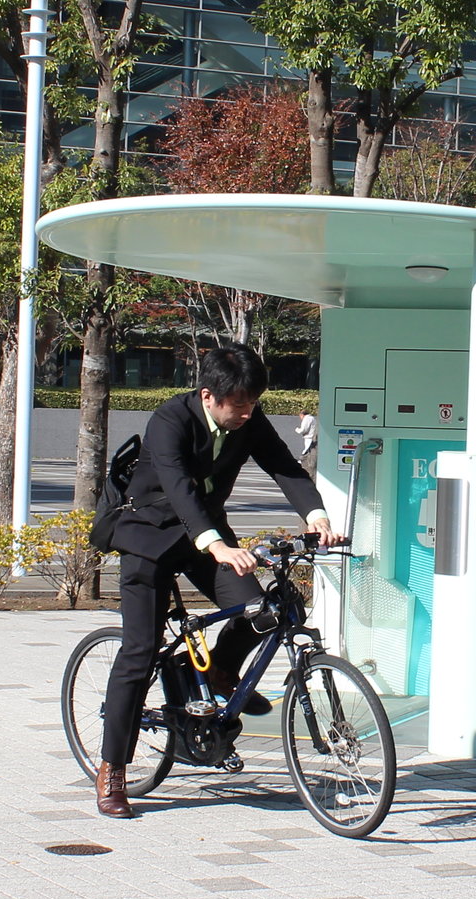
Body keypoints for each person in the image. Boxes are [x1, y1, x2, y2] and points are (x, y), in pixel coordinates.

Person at [95, 345, 340, 819]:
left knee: (270, 609)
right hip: (149, 539)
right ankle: (113, 768)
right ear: (209, 397)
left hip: (206, 539)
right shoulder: (169, 420)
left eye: (253, 403)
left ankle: (220, 670)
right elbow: (179, 487)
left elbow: (284, 466)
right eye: (240, 405)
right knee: (139, 652)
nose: (248, 413)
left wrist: (316, 515)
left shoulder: (249, 418)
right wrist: (217, 545)